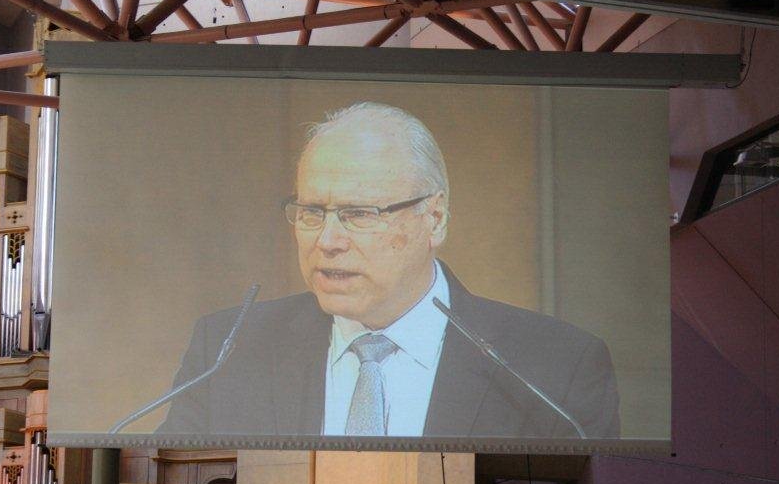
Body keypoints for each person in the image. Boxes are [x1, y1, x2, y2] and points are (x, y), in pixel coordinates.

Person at [157, 102, 619, 439]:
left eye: (359, 214)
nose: (328, 241)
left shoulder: (555, 368)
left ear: (434, 218)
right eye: (312, 212)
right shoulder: (227, 349)